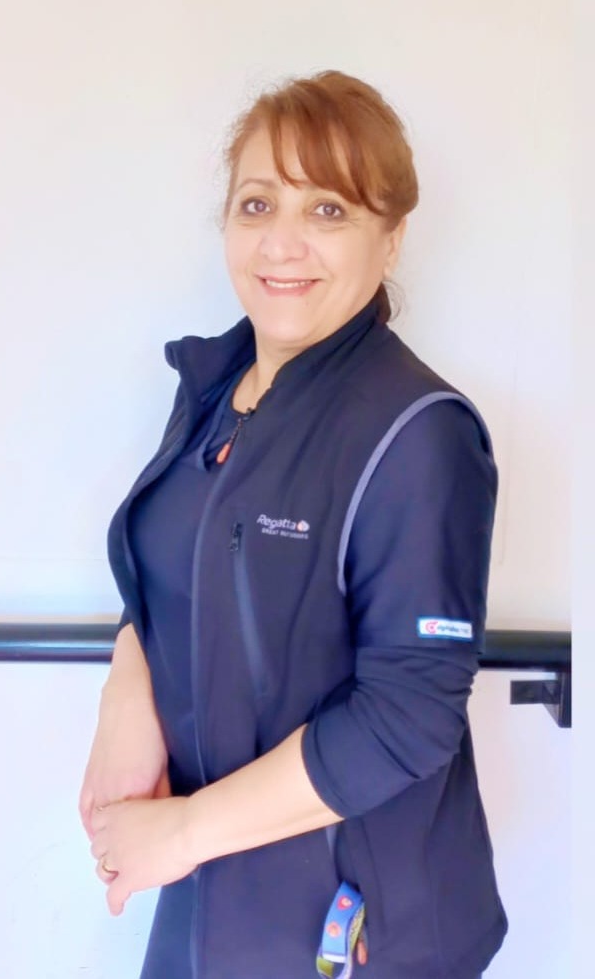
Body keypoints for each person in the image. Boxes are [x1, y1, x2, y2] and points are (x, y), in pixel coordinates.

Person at [79, 69, 507, 979]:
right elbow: (177, 561)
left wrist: (180, 833)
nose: (281, 242)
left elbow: (406, 717)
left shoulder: (417, 434)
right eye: (257, 202)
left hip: (349, 925)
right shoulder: (216, 388)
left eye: (327, 210)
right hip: (211, 889)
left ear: (391, 238)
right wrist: (127, 683)